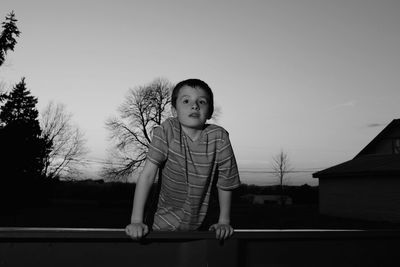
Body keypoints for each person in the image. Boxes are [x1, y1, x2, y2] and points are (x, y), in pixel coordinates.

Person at [125, 79, 240, 240]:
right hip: (160, 223)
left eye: (201, 101)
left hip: (200, 226)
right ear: (174, 110)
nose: (195, 106)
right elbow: (147, 175)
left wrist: (224, 221)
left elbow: (226, 182)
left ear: (210, 111)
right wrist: (136, 221)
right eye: (186, 101)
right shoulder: (167, 130)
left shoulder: (219, 138)